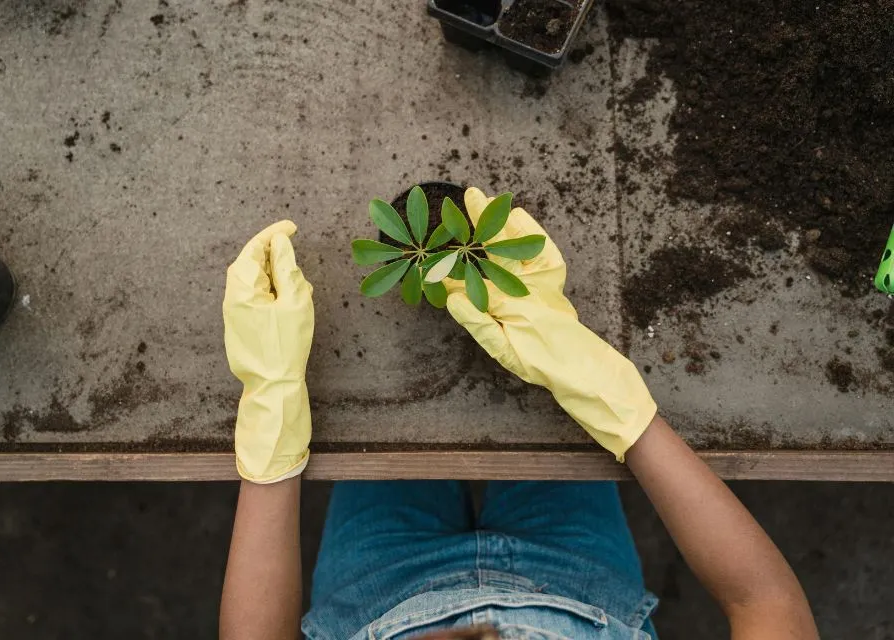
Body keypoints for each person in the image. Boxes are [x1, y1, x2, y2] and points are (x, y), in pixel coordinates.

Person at [218, 189, 819, 640]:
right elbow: (767, 606)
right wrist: (616, 405)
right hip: (576, 574)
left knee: (388, 427)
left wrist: (272, 418)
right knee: (543, 415)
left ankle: (429, 267)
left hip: (376, 591)